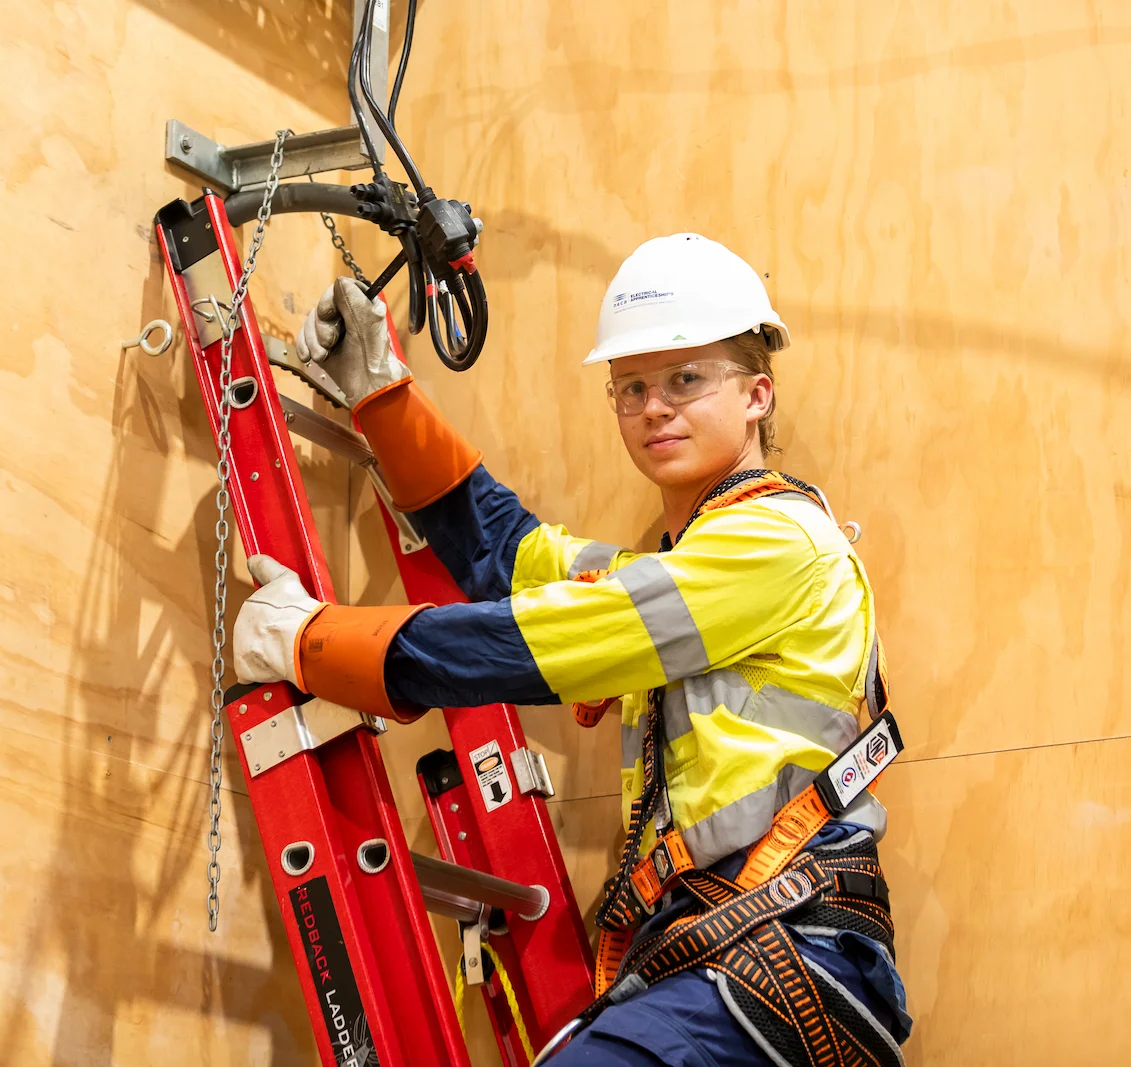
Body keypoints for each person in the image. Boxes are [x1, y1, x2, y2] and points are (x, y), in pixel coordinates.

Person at [233, 234, 912, 1067]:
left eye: (686, 378)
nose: (655, 406)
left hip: (787, 966)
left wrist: (310, 643)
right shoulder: (682, 574)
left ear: (757, 394)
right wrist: (383, 396)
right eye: (631, 388)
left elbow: (532, 643)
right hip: (723, 965)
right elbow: (513, 560)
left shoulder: (777, 546)